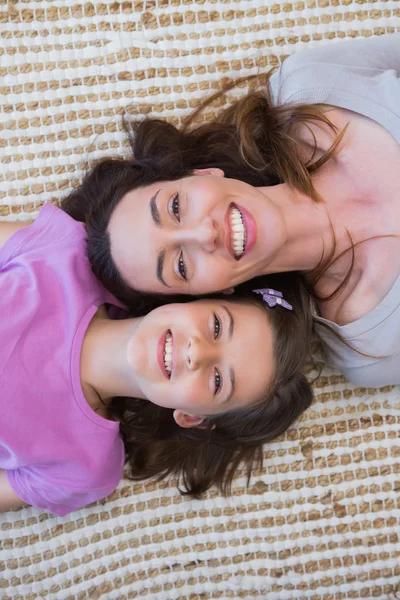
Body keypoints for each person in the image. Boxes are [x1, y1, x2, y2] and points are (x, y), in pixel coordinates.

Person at [62, 33, 400, 387]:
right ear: (209, 294)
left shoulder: (311, 85)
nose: (205, 233)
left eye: (176, 207)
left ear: (201, 174)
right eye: (180, 265)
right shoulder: (368, 350)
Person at [0, 204, 313, 516]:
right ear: (201, 295)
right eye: (216, 326)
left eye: (218, 380)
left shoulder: (85, 470)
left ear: (193, 416)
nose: (197, 352)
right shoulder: (64, 250)